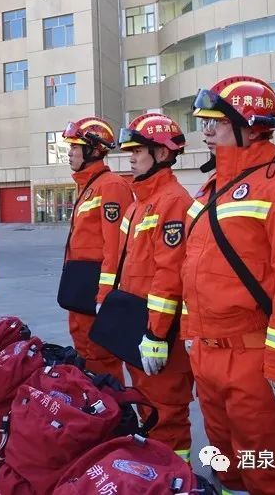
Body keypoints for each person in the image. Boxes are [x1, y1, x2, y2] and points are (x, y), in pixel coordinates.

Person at [184, 76, 275, 494]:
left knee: (270, 470)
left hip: (256, 363)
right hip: (207, 357)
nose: (205, 131)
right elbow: (193, 273)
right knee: (225, 465)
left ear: (251, 124)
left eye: (215, 122)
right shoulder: (209, 192)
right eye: (203, 122)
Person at [97, 113, 194, 462]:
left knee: (166, 414)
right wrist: (107, 301)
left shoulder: (174, 201)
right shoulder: (139, 203)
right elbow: (120, 262)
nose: (131, 156)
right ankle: (156, 469)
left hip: (159, 332)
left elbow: (169, 274)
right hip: (135, 322)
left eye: (139, 150)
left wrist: (156, 335)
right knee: (148, 410)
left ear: (163, 154)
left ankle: (174, 477)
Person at [60, 117, 132, 383]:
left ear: (92, 149)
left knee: (102, 361)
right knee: (85, 357)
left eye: (74, 147)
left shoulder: (110, 186)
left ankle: (114, 419)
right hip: (81, 292)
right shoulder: (89, 186)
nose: (69, 153)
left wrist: (104, 297)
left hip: (94, 295)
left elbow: (115, 247)